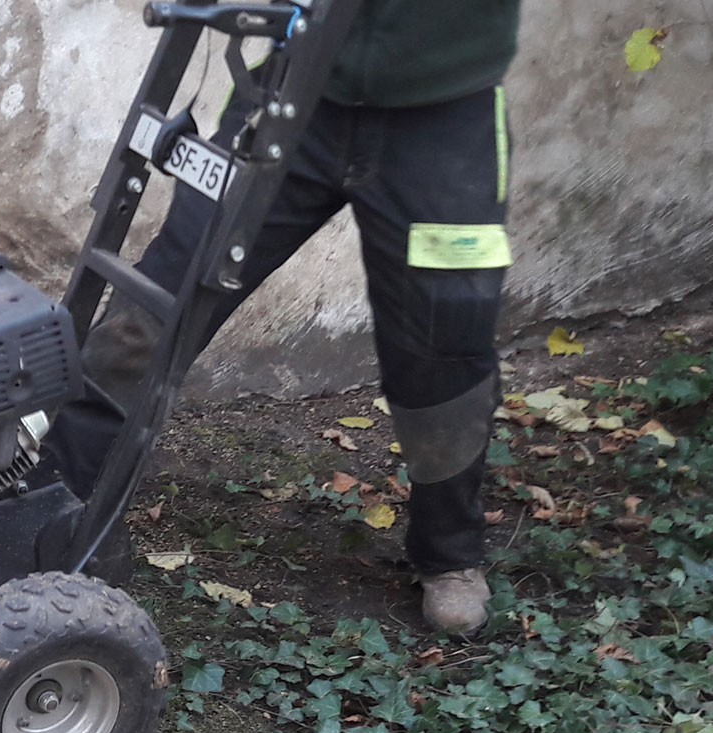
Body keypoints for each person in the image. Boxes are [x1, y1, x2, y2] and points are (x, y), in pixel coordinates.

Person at [50, 1, 522, 634]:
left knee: (445, 349)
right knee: (154, 308)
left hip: (444, 121)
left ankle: (450, 554)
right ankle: (60, 513)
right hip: (293, 94)